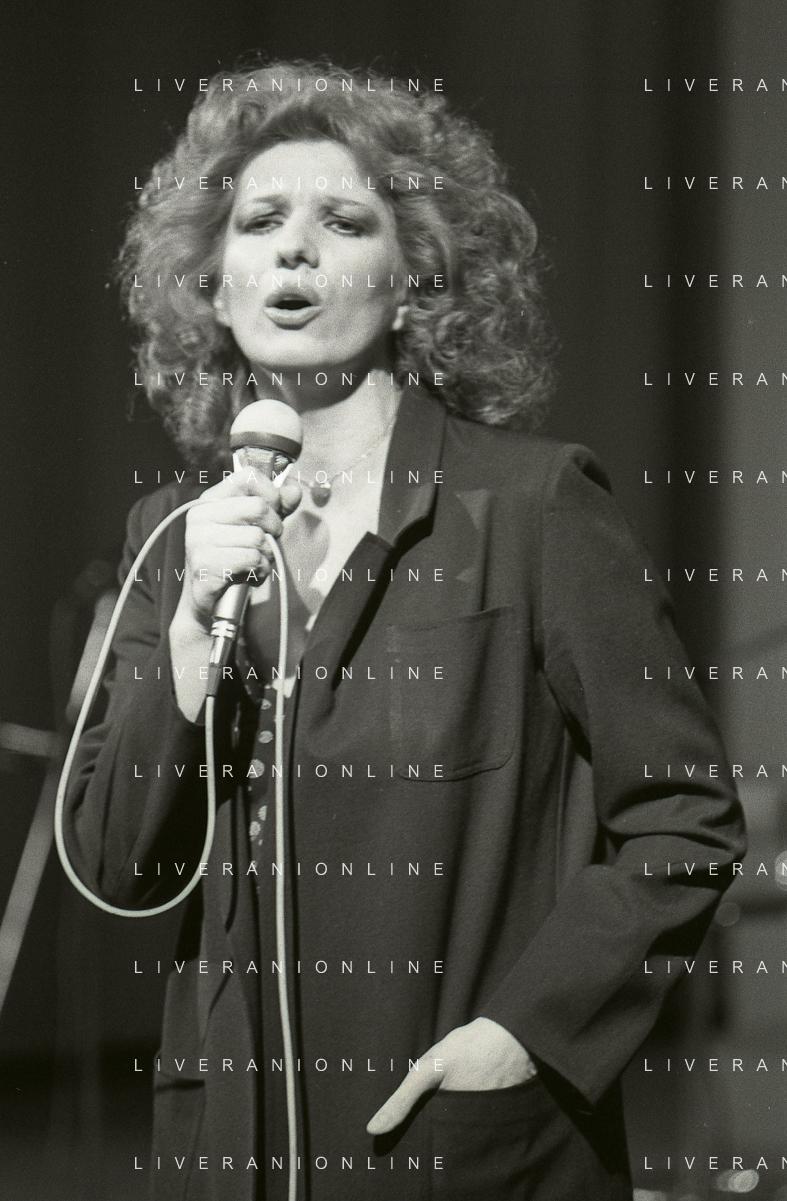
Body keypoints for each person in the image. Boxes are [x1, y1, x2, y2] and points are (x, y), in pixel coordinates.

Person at [63, 61, 746, 1201]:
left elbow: (683, 820)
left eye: (343, 221)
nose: (294, 248)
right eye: (258, 223)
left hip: (456, 1149)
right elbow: (113, 868)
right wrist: (184, 646)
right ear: (213, 286)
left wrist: (526, 1034)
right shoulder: (172, 537)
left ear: (412, 280)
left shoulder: (533, 507)